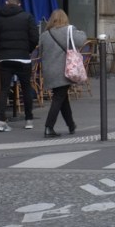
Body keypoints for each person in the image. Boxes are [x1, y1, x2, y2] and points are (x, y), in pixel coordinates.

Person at [0, 0, 39, 132]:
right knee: (26, 88)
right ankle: (29, 119)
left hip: (4, 58)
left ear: (6, 2)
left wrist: (1, 51)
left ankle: (0, 120)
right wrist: (27, 49)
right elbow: (34, 37)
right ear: (19, 4)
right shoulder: (27, 17)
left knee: (4, 89)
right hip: (22, 58)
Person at [39, 9, 87, 138]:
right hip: (64, 70)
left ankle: (71, 124)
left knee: (62, 97)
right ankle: (49, 127)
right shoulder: (69, 30)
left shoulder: (45, 34)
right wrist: (80, 30)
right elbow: (82, 40)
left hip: (49, 71)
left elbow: (40, 52)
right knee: (58, 98)